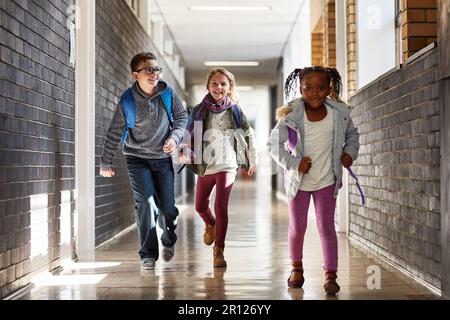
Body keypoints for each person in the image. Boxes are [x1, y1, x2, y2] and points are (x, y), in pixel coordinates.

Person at [267, 66, 360, 294]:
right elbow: (273, 144)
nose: (314, 93)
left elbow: (352, 136)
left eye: (320, 88)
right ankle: (296, 268)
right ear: (301, 89)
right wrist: (293, 163)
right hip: (299, 182)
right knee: (298, 228)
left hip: (327, 180)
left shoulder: (339, 114)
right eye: (308, 88)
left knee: (326, 227)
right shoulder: (291, 115)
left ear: (329, 89)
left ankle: (331, 275)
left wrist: (349, 153)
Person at [100, 52, 188, 270]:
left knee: (167, 209)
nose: (154, 73)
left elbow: (181, 117)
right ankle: (148, 254)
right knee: (146, 206)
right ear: (135, 75)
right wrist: (105, 162)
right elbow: (114, 132)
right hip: (137, 159)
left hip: (162, 160)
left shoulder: (167, 94)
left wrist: (174, 138)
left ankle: (168, 239)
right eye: (148, 69)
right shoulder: (127, 100)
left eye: (157, 69)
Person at [178, 68, 257, 268]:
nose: (219, 87)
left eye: (223, 84)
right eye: (215, 83)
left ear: (229, 87)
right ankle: (210, 224)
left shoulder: (236, 110)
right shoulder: (198, 110)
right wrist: (184, 150)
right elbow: (187, 134)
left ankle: (219, 251)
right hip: (205, 164)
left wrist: (252, 159)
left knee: (221, 206)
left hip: (228, 164)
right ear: (208, 86)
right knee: (200, 207)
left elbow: (249, 135)